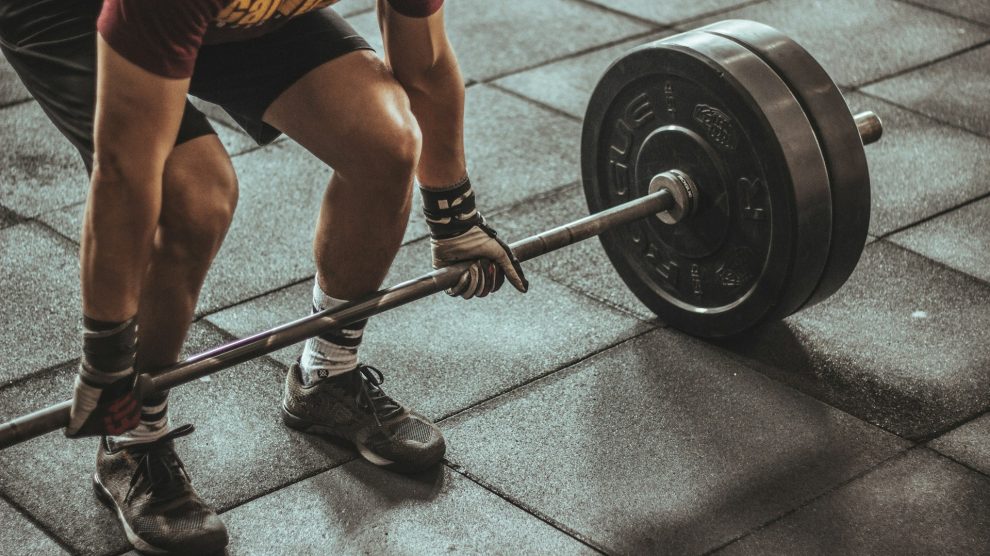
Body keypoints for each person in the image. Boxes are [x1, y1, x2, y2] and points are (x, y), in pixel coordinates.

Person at [0, 0, 527, 553]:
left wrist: (454, 218)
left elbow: (425, 65)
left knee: (385, 142)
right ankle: (132, 438)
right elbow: (127, 173)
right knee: (192, 196)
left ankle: (326, 376)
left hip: (236, 14)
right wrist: (107, 356)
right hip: (75, 15)